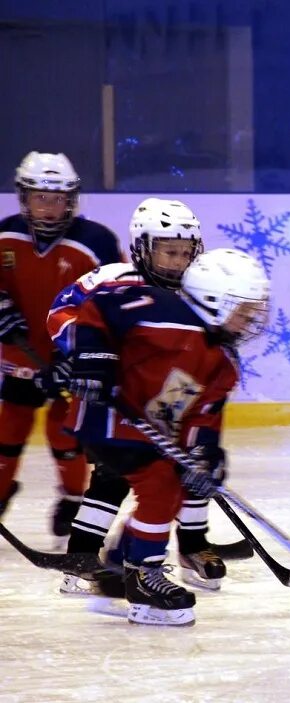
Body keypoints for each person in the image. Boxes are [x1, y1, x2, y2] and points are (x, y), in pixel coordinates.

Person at [65, 248, 269, 626]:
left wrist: (206, 455)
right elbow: (96, 308)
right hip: (107, 417)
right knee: (160, 488)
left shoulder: (221, 361)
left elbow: (203, 416)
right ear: (214, 300)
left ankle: (121, 562)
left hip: (146, 429)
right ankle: (143, 576)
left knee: (172, 488)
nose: (249, 321)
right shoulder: (158, 308)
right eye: (243, 310)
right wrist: (94, 358)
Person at [47, 197, 233, 596]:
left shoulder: (197, 287)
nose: (179, 262)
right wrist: (82, 353)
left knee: (188, 466)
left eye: (186, 252)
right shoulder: (113, 279)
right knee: (113, 475)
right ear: (143, 248)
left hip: (174, 396)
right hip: (116, 396)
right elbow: (62, 313)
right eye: (169, 251)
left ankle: (192, 544)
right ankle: (83, 554)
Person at [0, 151, 123, 532]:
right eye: (41, 197)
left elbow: (117, 300)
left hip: (71, 358)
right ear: (25, 197)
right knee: (9, 429)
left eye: (59, 199)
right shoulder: (5, 235)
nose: (51, 208)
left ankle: (72, 500)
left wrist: (87, 353)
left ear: (72, 200)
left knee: (65, 432)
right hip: (21, 354)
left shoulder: (96, 241)